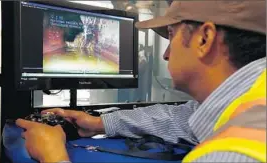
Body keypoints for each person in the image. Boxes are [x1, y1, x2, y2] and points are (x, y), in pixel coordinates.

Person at [16, 1, 266, 163]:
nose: (166, 54)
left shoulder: (231, 154)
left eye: (172, 35)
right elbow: (183, 118)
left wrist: (54, 158)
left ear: (204, 39)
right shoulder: (253, 96)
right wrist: (99, 123)